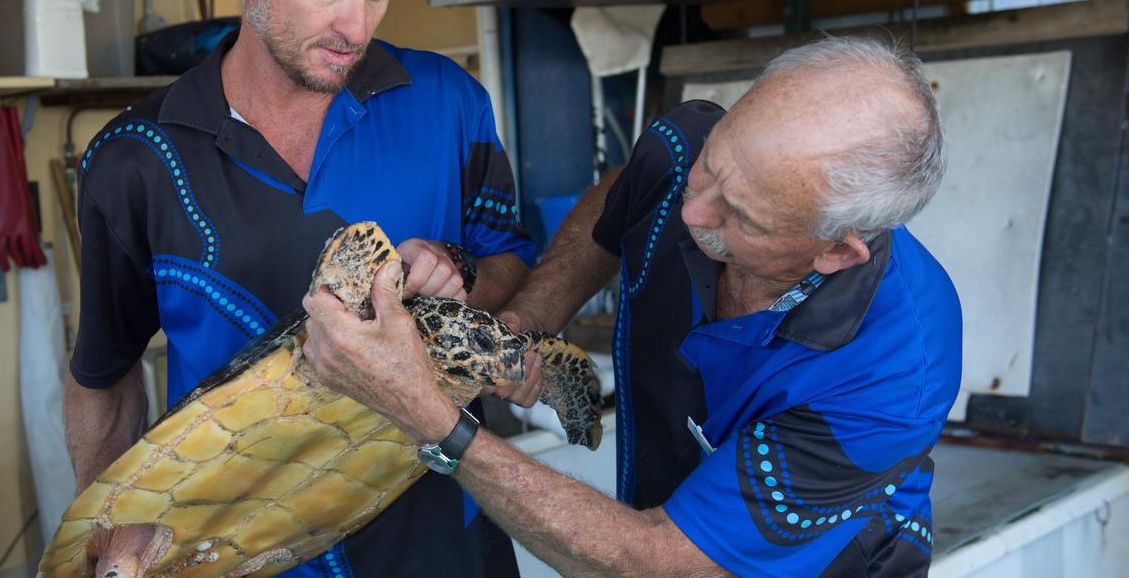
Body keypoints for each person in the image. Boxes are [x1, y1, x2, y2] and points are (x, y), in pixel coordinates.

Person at [303, 35, 964, 576]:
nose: (692, 210)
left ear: (835, 252)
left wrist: (430, 417)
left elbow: (655, 562)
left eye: (741, 217)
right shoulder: (683, 153)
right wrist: (525, 322)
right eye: (714, 164)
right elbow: (631, 191)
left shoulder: (896, 365)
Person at [63, 0, 540, 576]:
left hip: (444, 540)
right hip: (240, 550)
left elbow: (510, 262)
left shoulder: (449, 102)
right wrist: (110, 530)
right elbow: (105, 371)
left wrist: (458, 273)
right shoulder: (135, 159)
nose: (358, 26)